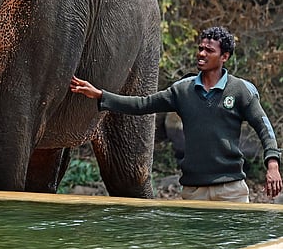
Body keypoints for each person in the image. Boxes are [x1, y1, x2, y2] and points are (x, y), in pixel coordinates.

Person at [70, 26, 281, 202]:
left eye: (209, 50)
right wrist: (101, 95)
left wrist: (272, 164)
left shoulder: (240, 90)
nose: (202, 54)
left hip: (231, 190)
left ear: (224, 56)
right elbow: (142, 104)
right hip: (193, 191)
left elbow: (264, 127)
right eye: (200, 48)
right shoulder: (182, 90)